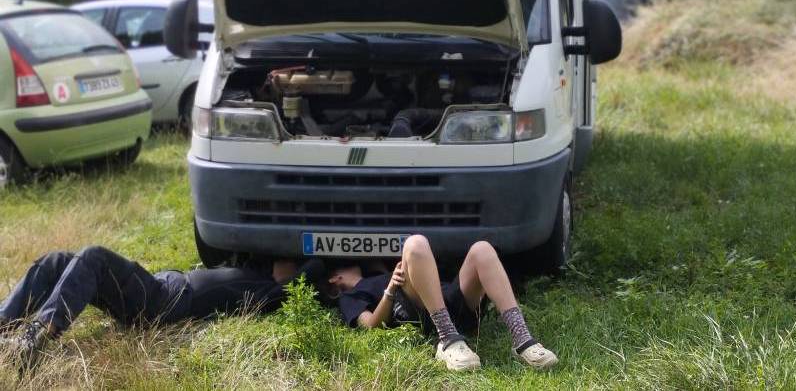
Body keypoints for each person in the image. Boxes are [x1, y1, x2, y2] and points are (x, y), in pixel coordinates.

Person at [0, 246, 321, 368]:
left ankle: (38, 335)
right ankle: (4, 323)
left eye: (289, 260)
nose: (282, 259)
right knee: (58, 261)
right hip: (161, 287)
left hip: (165, 301)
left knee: (94, 256)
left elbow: (317, 265)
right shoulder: (255, 268)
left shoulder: (276, 292)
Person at [326, 235, 558, 371]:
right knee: (415, 243)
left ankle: (522, 340)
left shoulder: (375, 273)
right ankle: (447, 339)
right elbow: (369, 326)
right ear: (335, 278)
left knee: (482, 248)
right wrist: (391, 290)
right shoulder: (352, 295)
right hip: (420, 313)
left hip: (451, 302)